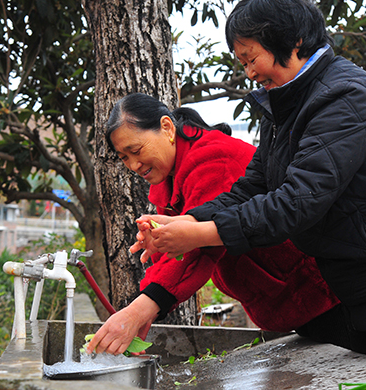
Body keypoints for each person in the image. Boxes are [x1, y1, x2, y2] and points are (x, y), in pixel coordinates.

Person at [131, 0, 366, 373]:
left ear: (292, 41)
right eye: (241, 62)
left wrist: (200, 234)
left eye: (251, 58)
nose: (249, 72)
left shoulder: (344, 96)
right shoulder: (285, 106)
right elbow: (253, 186)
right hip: (365, 285)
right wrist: (187, 221)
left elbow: (297, 203)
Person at [85, 92, 339, 355]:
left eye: (136, 151)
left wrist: (138, 312)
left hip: (318, 294)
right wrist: (142, 312)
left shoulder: (215, 160)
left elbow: (197, 246)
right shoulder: (170, 179)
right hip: (288, 303)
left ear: (167, 127)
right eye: (124, 157)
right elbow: (177, 250)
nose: (134, 165)